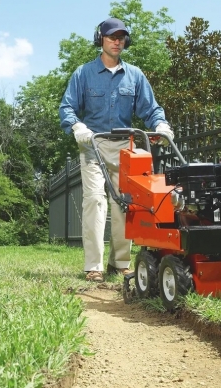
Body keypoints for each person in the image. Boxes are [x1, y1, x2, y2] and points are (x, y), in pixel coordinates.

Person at [58, 17, 173, 282]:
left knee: (125, 205)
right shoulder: (83, 73)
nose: (117, 41)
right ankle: (93, 267)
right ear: (101, 39)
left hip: (125, 148)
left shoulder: (134, 75)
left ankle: (120, 262)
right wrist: (77, 127)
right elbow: (67, 107)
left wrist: (161, 124)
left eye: (121, 37)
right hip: (93, 145)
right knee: (96, 201)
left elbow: (150, 108)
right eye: (112, 37)